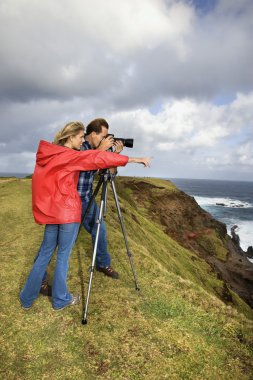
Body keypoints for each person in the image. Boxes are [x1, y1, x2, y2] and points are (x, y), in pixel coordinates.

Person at [20, 121, 151, 311]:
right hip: (68, 212)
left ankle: (26, 298)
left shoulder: (50, 154)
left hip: (52, 212)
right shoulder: (72, 156)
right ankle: (60, 300)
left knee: (44, 255)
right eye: (80, 137)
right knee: (63, 257)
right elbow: (94, 159)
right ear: (70, 137)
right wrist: (136, 159)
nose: (82, 141)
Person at [77, 118, 124, 279]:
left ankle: (103, 263)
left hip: (87, 199)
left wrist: (114, 156)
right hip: (71, 201)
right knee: (58, 240)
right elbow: (83, 161)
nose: (105, 140)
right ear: (92, 134)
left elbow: (110, 174)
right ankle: (40, 278)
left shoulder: (99, 150)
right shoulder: (80, 148)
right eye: (103, 136)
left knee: (100, 228)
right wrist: (101, 152)